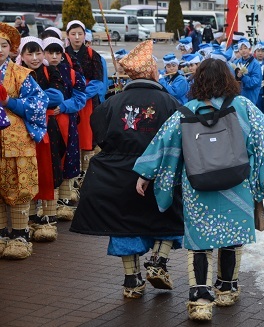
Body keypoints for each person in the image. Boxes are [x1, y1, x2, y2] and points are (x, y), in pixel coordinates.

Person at [133, 58, 264, 321]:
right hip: (237, 184)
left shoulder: (185, 111)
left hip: (198, 187)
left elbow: (163, 146)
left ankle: (200, 299)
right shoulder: (244, 107)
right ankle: (226, 289)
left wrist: (146, 174)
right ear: (227, 78)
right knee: (233, 236)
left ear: (197, 80)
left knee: (199, 242)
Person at [70, 40, 184, 299]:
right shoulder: (170, 103)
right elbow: (180, 137)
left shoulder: (112, 102)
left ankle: (132, 280)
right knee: (170, 216)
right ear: (153, 71)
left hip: (118, 173)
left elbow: (99, 131)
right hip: (160, 173)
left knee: (123, 224)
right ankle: (159, 261)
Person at [0, 23, 49, 259]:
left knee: (19, 186)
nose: (0, 49)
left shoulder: (21, 74)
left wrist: (9, 102)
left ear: (11, 49)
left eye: (4, 45)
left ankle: (20, 235)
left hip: (16, 141)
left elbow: (39, 104)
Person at [16, 36, 65, 243]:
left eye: (38, 53)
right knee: (29, 169)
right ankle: (29, 217)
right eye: (30, 54)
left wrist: (28, 102)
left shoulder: (51, 71)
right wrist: (39, 101)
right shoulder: (16, 73)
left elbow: (58, 97)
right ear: (22, 55)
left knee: (48, 168)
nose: (35, 58)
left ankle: (48, 216)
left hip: (48, 128)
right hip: (23, 128)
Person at [42, 37, 86, 221]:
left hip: (67, 122)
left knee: (67, 159)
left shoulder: (73, 73)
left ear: (62, 53)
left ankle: (65, 201)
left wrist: (64, 106)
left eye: (57, 52)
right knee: (49, 162)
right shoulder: (38, 72)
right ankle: (47, 205)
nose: (54, 56)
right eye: (50, 52)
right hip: (44, 122)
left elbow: (80, 97)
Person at [65, 20, 104, 182]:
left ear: (84, 35)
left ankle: (86, 174)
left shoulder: (91, 54)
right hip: (68, 98)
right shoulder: (62, 53)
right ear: (67, 35)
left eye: (80, 34)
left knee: (87, 134)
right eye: (73, 34)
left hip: (87, 101)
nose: (77, 37)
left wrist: (82, 94)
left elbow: (97, 79)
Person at [232, 38, 262, 103]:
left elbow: (255, 82)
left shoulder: (255, 64)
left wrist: (243, 77)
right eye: (241, 49)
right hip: (238, 95)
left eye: (245, 48)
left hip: (250, 95)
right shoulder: (236, 62)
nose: (243, 50)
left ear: (250, 49)